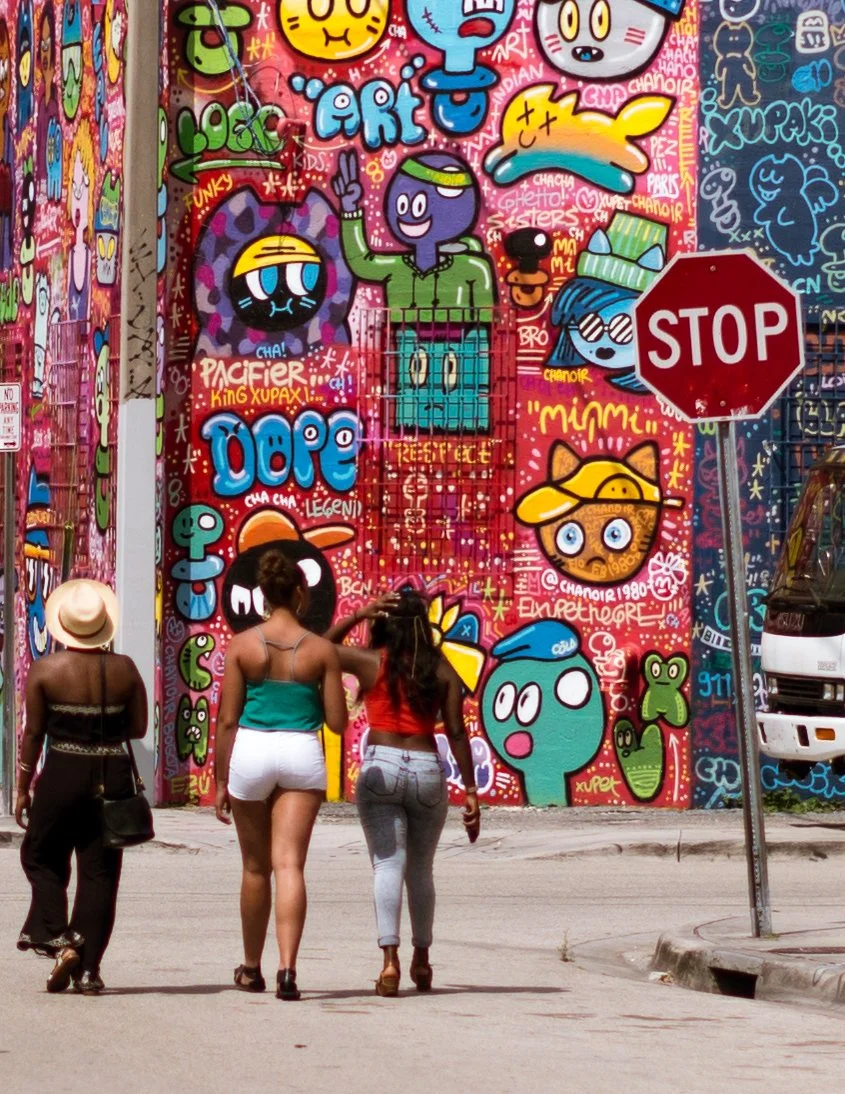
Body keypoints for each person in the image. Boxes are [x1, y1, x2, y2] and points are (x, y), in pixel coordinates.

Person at [326, 589, 480, 996]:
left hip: (382, 765)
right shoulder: (443, 670)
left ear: (384, 622)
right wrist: (471, 792)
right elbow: (458, 733)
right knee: (421, 870)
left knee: (387, 866)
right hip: (428, 767)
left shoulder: (371, 661)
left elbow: (320, 649)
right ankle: (423, 960)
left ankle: (390, 962)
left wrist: (359, 614)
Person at [214, 548, 347, 1000]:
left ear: (263, 595)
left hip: (251, 750)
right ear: (300, 592)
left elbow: (228, 719)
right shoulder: (321, 649)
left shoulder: (243, 646)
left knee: (255, 867)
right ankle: (288, 970)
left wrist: (218, 782)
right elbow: (336, 722)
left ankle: (251, 968)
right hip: (300, 752)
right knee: (289, 864)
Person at [16, 579, 148, 995]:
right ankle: (89, 970)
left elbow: (34, 734)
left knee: (39, 855)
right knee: (101, 873)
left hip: (62, 773)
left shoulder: (46, 671)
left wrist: (23, 786)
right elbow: (141, 726)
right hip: (112, 774)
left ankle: (60, 937)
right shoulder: (125, 668)